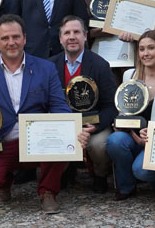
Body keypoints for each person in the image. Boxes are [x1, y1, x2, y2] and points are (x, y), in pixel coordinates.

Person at [0, 14, 93, 214]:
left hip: (40, 143)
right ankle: (3, 183)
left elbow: (58, 105)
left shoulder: (45, 68)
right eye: (5, 38)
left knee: (64, 143)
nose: (11, 42)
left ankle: (48, 191)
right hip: (0, 142)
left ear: (25, 38)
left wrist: (72, 129)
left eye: (16, 37)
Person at [105, 30, 155, 200]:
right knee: (115, 141)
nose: (146, 53)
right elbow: (124, 113)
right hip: (133, 138)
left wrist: (151, 138)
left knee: (141, 170)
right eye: (141, 49)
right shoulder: (129, 75)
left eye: (151, 48)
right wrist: (135, 136)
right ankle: (126, 187)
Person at [50, 16, 116, 193]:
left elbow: (111, 105)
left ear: (85, 36)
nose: (72, 37)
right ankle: (63, 171)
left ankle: (100, 175)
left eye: (76, 32)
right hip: (62, 125)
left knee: (99, 145)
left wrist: (94, 127)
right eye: (67, 33)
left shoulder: (100, 65)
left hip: (93, 125)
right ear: (60, 39)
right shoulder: (50, 66)